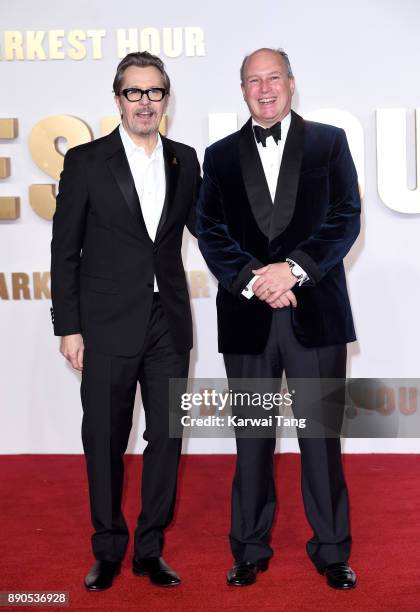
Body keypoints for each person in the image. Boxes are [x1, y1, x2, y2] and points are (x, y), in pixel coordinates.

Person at [197, 47, 360, 589]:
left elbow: (345, 218)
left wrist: (293, 271)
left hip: (315, 313)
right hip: (247, 318)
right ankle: (249, 547)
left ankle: (332, 548)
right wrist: (254, 279)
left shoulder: (329, 142)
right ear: (241, 90)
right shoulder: (218, 156)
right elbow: (209, 230)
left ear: (291, 83)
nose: (264, 89)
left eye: (273, 78)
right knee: (251, 438)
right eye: (252, 81)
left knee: (321, 438)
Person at [50, 51, 200, 591]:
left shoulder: (186, 160)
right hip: (106, 323)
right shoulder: (88, 161)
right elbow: (64, 250)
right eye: (134, 92)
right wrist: (68, 326)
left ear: (166, 99)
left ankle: (150, 549)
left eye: (154, 92)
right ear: (118, 99)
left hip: (169, 323)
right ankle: (109, 549)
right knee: (105, 438)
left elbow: (211, 231)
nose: (144, 102)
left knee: (166, 437)